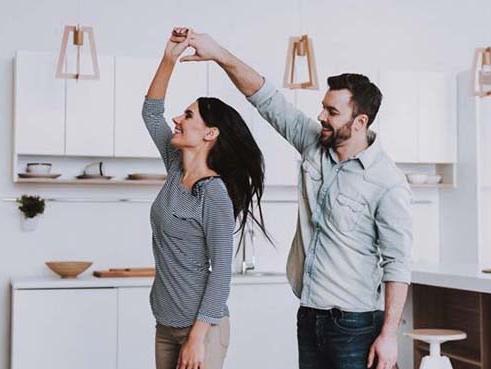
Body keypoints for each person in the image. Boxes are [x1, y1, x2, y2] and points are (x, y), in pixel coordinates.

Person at [180, 30, 413, 369]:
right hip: (310, 315)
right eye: (323, 108)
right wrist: (218, 53)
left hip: (355, 325)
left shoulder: (387, 182)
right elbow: (266, 98)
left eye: (332, 112)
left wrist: (389, 334)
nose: (321, 117)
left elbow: (398, 264)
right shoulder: (315, 145)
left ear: (360, 122)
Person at [142, 27, 268, 369]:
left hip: (200, 330)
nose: (176, 119)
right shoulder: (174, 167)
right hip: (165, 324)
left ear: (210, 133)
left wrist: (197, 338)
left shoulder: (214, 193)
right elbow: (151, 112)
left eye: (188, 116)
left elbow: (221, 271)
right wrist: (169, 58)